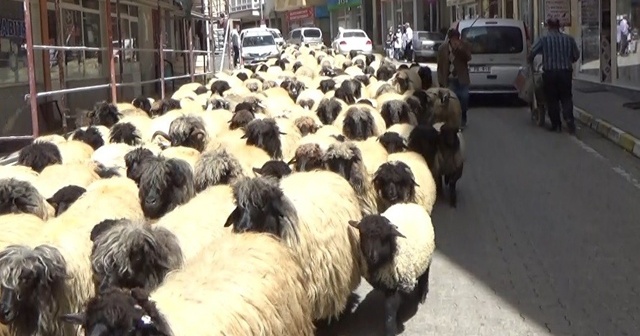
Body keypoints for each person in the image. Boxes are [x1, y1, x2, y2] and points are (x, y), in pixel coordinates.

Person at [528, 18, 580, 134]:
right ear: (559, 26)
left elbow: (532, 52)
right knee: (566, 97)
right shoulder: (569, 39)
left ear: (548, 27)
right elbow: (576, 55)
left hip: (550, 73)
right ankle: (569, 119)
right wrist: (568, 60)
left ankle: (556, 124)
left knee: (552, 99)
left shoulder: (544, 39)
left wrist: (530, 60)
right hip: (565, 72)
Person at [437, 28, 472, 129]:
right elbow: (440, 66)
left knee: (464, 98)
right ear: (449, 39)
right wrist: (441, 81)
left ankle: (464, 116)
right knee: (452, 101)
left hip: (461, 78)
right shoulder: (442, 49)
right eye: (453, 39)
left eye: (457, 38)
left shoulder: (464, 45)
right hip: (450, 78)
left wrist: (459, 49)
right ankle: (453, 120)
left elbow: (468, 57)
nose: (455, 41)